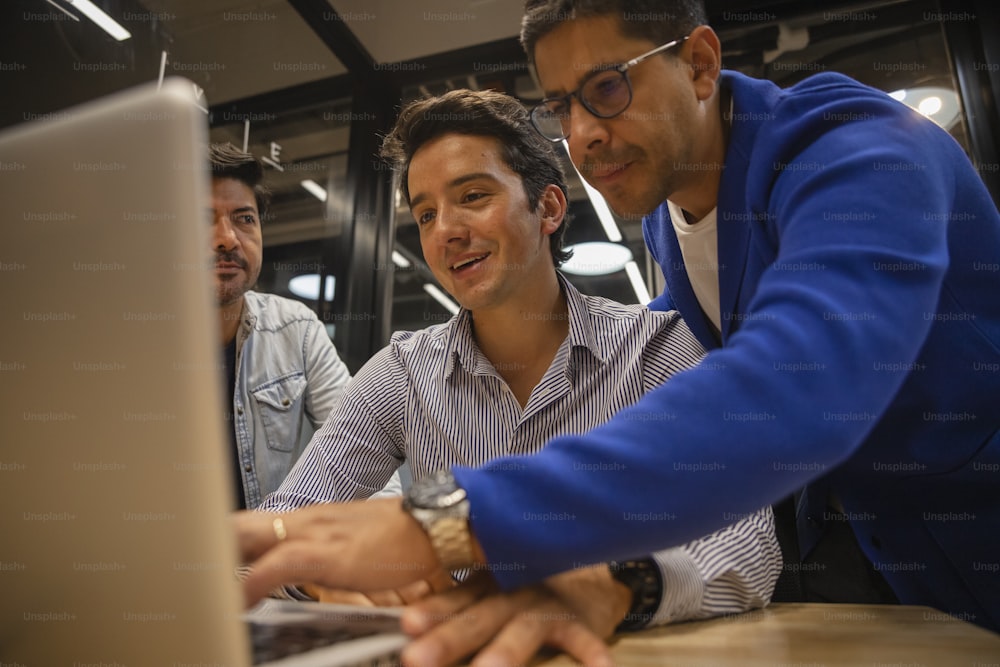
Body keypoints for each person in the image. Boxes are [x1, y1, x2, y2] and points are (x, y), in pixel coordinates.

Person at [235, 0, 1000, 661]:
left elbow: (801, 386)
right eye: (562, 104)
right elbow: (294, 519)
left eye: (606, 87)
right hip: (896, 572)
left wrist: (458, 517)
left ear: (700, 64)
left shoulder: (853, 143)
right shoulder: (672, 227)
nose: (583, 131)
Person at [245, 88, 780, 623]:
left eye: (473, 196)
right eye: (426, 214)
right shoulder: (402, 373)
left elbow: (748, 540)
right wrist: (320, 579)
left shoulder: (653, 349)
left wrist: (617, 586)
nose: (447, 232)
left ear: (547, 207)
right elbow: (281, 528)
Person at [208, 143, 399, 509]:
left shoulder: (296, 328)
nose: (228, 239)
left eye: (244, 218)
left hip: (273, 558)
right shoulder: (130, 344)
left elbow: (362, 448)